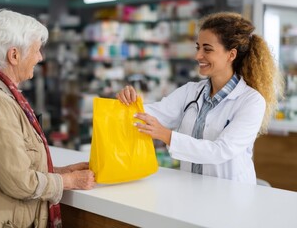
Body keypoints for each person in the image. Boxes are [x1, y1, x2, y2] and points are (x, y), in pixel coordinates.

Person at [0, 9, 95, 228]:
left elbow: (10, 165)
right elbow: (18, 182)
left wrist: (62, 171)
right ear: (14, 55)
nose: (40, 57)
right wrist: (69, 181)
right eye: (36, 50)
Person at [116, 12, 284, 184]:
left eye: (207, 49)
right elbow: (150, 115)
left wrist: (167, 136)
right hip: (191, 190)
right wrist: (128, 104)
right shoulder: (190, 92)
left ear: (231, 55)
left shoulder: (251, 101)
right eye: (198, 47)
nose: (198, 56)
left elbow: (221, 150)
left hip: (231, 196)